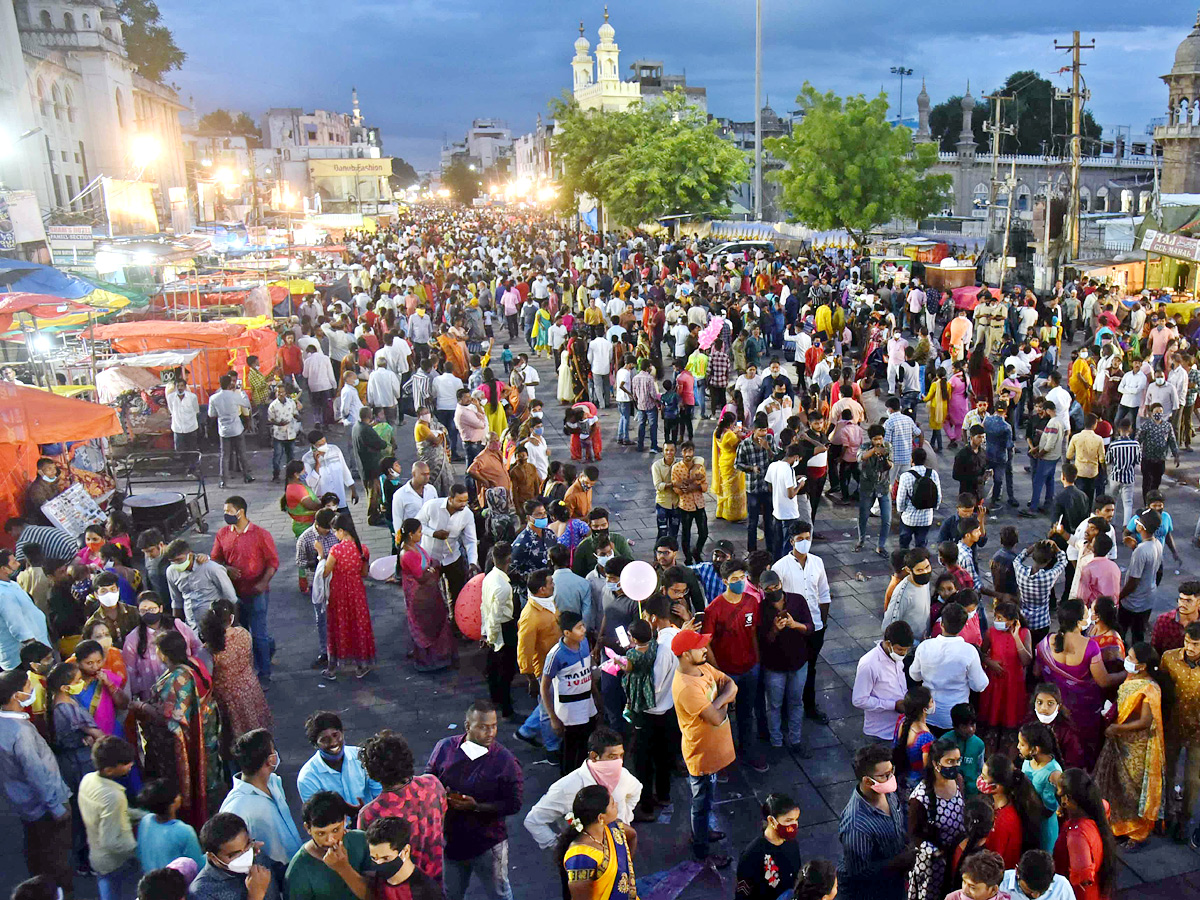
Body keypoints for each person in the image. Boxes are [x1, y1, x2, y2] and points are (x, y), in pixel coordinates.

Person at [426, 700, 524, 900]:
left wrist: (477, 807)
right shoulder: (445, 748)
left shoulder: (505, 761)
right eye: (483, 727)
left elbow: (514, 803)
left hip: (488, 844)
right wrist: (439, 792)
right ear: (467, 726)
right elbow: (429, 778)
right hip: (451, 841)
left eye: (494, 726)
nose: (490, 733)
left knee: (500, 895)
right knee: (450, 894)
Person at [129, 630, 220, 830]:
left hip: (184, 742)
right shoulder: (195, 664)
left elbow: (169, 717)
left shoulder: (179, 678)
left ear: (164, 653)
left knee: (185, 783)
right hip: (206, 733)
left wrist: (142, 708)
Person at [0, 670, 74, 895]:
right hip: (45, 806)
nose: (32, 691)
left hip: (24, 804)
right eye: (28, 688)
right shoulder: (20, 732)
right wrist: (56, 807)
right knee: (56, 858)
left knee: (35, 852)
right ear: (16, 696)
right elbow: (36, 773)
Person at [672, 628, 736, 868]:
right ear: (686, 655)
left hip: (712, 753)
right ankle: (701, 851)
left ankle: (702, 832)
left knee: (706, 802)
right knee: (701, 804)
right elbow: (717, 718)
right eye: (699, 647)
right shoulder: (687, 687)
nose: (705, 650)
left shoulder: (703, 668)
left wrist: (720, 701)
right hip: (702, 756)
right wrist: (724, 702)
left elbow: (730, 684)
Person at [1093, 641, 1166, 849]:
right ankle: (1120, 827)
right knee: (1120, 787)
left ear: (1142, 666)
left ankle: (1138, 833)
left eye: (1131, 658)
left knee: (1134, 790)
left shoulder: (1150, 688)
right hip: (1122, 743)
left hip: (1137, 747)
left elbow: (1144, 721)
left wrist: (1117, 729)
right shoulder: (1132, 678)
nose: (1127, 661)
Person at [523, 726, 642, 848]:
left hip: (618, 847)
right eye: (612, 757)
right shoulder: (567, 787)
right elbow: (533, 821)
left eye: (621, 755)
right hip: (586, 857)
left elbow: (636, 790)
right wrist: (559, 847)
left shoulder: (623, 775)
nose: (619, 762)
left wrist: (625, 818)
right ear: (594, 756)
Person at [701, 557, 766, 770]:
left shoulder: (751, 601)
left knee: (747, 713)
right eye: (735, 578)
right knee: (722, 717)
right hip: (727, 671)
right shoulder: (714, 609)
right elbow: (707, 643)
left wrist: (756, 660)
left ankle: (748, 751)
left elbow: (754, 632)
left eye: (743, 578)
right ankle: (725, 759)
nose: (740, 582)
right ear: (725, 581)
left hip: (749, 667)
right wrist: (718, 671)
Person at [357, 729, 447, 880]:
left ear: (372, 771)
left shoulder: (370, 814)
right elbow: (442, 819)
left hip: (401, 887)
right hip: (435, 880)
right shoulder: (432, 784)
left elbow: (371, 860)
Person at [210, 497, 278, 684]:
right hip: (233, 594)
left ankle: (264, 674)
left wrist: (264, 582)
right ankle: (250, 667)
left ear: (240, 512)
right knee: (241, 632)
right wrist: (226, 569)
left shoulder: (260, 534)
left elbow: (273, 563)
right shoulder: (223, 534)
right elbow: (214, 559)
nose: (226, 515)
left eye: (229, 511)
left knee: (258, 634)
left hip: (257, 592)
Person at [771, 522, 832, 724]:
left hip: (815, 626)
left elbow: (823, 594)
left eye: (807, 538)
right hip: (793, 628)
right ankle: (788, 710)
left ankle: (809, 706)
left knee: (811, 668)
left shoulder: (817, 562)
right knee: (792, 668)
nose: (805, 542)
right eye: (800, 539)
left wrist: (822, 622)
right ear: (791, 541)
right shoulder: (780, 567)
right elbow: (775, 599)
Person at [218, 729, 303, 866]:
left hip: (295, 865)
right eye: (273, 750)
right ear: (271, 760)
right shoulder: (236, 807)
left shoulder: (274, 782)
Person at [838, 742, 911, 900]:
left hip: (895, 884)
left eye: (891, 772)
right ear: (867, 781)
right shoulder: (855, 824)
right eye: (885, 775)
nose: (891, 778)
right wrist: (899, 862)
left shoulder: (888, 793)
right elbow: (859, 872)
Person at [199, 598, 272, 751]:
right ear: (231, 618)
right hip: (251, 688)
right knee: (257, 728)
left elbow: (207, 678)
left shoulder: (209, 648)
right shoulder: (244, 633)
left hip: (228, 698)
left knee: (237, 739)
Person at [758, 568, 815, 750]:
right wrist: (775, 629)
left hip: (798, 662)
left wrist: (793, 624)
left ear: (781, 584)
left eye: (776, 586)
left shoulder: (797, 600)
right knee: (774, 704)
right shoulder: (761, 608)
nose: (773, 591)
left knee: (796, 702)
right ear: (762, 589)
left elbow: (810, 628)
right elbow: (763, 641)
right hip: (774, 666)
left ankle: (795, 739)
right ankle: (776, 741)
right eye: (768, 589)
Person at [910, 602, 988, 734]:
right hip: (955, 717)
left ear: (941, 624)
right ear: (963, 626)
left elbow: (914, 675)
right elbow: (979, 685)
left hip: (928, 714)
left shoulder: (925, 646)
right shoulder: (969, 652)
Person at [315, 512, 375, 680]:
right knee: (358, 624)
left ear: (341, 531)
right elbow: (364, 572)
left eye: (335, 531)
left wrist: (321, 555)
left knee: (338, 625)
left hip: (339, 593)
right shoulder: (362, 549)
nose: (335, 534)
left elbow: (325, 572)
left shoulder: (336, 550)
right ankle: (361, 665)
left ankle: (333, 668)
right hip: (357, 592)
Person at [78, 736, 139, 900]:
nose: (130, 765)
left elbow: (111, 811)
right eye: (126, 763)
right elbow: (111, 841)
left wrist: (143, 816)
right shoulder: (114, 796)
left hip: (95, 853)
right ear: (110, 770)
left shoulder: (88, 779)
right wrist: (138, 848)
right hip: (111, 862)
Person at [907, 737, 966, 900]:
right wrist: (936, 852)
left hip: (956, 857)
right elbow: (914, 834)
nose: (955, 766)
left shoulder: (958, 781)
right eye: (949, 761)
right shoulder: (920, 798)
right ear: (935, 763)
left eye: (957, 761)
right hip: (933, 864)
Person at [557, 784, 638, 900]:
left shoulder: (613, 827)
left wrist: (623, 869)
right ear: (601, 818)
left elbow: (632, 835)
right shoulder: (580, 858)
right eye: (612, 804)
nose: (616, 805)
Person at [283, 792, 370, 900]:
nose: (330, 840)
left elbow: (376, 895)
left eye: (336, 830)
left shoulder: (362, 841)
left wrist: (344, 869)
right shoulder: (298, 869)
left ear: (344, 820)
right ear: (308, 828)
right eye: (321, 833)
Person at [398, 517, 456, 674]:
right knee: (426, 626)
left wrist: (432, 566)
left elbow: (427, 565)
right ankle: (430, 660)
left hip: (428, 594)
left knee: (436, 621)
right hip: (420, 598)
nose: (421, 534)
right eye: (419, 532)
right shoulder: (408, 554)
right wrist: (432, 569)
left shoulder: (415, 547)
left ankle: (441, 657)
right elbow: (421, 577)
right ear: (411, 534)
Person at [543, 610, 598, 775]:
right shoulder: (556, 655)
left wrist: (597, 698)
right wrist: (553, 718)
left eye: (583, 626)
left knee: (585, 749)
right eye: (579, 627)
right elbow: (544, 687)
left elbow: (588, 672)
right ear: (567, 633)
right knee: (570, 753)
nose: (583, 630)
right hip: (569, 714)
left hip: (587, 708)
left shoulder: (584, 643)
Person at [1053, 768, 1119, 900]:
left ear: (1067, 799)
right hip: (1096, 887)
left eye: (1059, 793)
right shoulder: (1098, 808)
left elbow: (1082, 879)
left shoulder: (1076, 835)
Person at [123, 592, 202, 701]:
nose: (148, 613)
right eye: (143, 611)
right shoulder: (133, 639)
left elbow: (197, 647)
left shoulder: (177, 626)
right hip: (153, 697)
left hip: (185, 687)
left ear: (160, 608)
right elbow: (130, 671)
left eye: (152, 609)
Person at [296, 710, 381, 808]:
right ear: (315, 745)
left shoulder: (363, 755)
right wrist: (347, 813)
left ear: (342, 733)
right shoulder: (308, 778)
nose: (333, 743)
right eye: (324, 740)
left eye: (335, 735)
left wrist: (365, 816)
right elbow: (319, 817)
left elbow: (378, 793)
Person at [190, 812, 279, 900]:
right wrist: (255, 896)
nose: (245, 855)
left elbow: (286, 877)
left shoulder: (257, 856)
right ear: (213, 857)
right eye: (234, 854)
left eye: (247, 845)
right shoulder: (202, 892)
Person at [417, 484, 479, 608]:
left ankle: (455, 621)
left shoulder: (467, 514)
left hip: (452, 557)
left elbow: (470, 540)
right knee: (430, 593)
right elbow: (418, 524)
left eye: (465, 501)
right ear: (450, 499)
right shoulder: (432, 506)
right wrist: (433, 533)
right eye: (460, 501)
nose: (464, 504)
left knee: (457, 593)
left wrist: (473, 562)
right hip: (430, 557)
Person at [976, 754, 1044, 867]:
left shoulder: (1004, 821)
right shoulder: (1000, 807)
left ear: (996, 787)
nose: (980, 780)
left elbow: (993, 861)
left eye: (983, 777)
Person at [852, 622, 913, 741]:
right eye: (900, 649)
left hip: (898, 728)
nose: (903, 654)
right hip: (880, 732)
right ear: (888, 643)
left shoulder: (896, 657)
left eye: (906, 650)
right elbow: (859, 700)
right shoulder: (869, 664)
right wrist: (893, 705)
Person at [735, 793, 802, 900]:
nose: (794, 825)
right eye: (788, 820)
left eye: (796, 819)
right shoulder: (752, 854)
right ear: (771, 820)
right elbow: (743, 893)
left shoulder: (792, 844)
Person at [164, 539, 240, 631]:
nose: (177, 564)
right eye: (173, 561)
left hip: (215, 625)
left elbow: (231, 599)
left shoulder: (212, 568)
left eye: (179, 560)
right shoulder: (171, 572)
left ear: (190, 555)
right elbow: (176, 601)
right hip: (192, 626)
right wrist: (176, 627)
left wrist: (234, 628)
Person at [365, 816, 445, 900]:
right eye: (374, 858)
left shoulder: (428, 891)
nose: (379, 864)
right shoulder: (375, 881)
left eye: (386, 858)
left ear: (406, 851)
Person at [135, 778, 205, 873]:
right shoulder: (184, 831)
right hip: (174, 884)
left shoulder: (145, 821)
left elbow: (139, 853)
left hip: (149, 880)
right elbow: (197, 866)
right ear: (173, 804)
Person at [1016, 723, 1063, 853]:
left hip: (1044, 826)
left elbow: (1061, 800)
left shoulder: (1054, 772)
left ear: (1034, 749)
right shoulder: (1027, 761)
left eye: (1022, 744)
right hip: (1028, 819)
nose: (1018, 747)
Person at [1118, 509, 1162, 645]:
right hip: (1148, 598)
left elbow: (1134, 581)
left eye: (1137, 522)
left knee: (1121, 632)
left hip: (1133, 602)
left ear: (1141, 527)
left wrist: (1119, 596)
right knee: (1139, 633)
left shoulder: (1141, 551)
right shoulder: (1157, 544)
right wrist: (1135, 547)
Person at [208, 373, 253, 488]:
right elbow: (246, 404)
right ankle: (247, 476)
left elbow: (211, 414)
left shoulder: (214, 398)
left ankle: (223, 480)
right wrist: (241, 391)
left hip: (224, 430)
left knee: (225, 456)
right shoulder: (234, 395)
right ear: (230, 384)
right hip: (237, 428)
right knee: (241, 453)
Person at [856, 424, 894, 554]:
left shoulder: (888, 446)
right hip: (867, 487)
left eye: (880, 439)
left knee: (887, 519)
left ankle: (881, 545)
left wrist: (884, 457)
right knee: (863, 516)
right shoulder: (865, 446)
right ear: (871, 439)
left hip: (883, 486)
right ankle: (861, 540)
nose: (878, 442)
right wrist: (873, 451)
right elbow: (860, 457)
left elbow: (891, 465)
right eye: (876, 439)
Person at [672, 441, 710, 565]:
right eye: (685, 451)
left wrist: (691, 487)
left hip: (699, 503)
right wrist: (693, 481)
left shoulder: (699, 467)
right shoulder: (676, 468)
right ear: (681, 453)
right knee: (686, 534)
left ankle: (697, 552)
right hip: (685, 506)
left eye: (690, 451)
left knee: (704, 532)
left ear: (693, 452)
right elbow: (677, 488)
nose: (688, 454)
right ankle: (688, 558)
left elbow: (704, 486)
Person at [883, 549, 934, 641]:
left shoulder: (924, 582)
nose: (925, 572)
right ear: (908, 570)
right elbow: (889, 625)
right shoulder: (902, 594)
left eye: (927, 567)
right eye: (919, 570)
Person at [897, 449, 941, 549]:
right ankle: (920, 561)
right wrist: (934, 507)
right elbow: (938, 496)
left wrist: (901, 511)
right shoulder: (933, 474)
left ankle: (904, 561)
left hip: (909, 518)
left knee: (904, 544)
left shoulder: (905, 476)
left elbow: (901, 499)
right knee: (921, 545)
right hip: (926, 518)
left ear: (912, 460)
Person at [1000, 849, 1076, 900]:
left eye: (1042, 892)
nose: (1035, 896)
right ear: (1017, 872)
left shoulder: (1062, 887)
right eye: (1030, 891)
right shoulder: (1000, 884)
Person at [947, 703, 986, 796]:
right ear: (955, 726)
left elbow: (980, 769)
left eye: (973, 724)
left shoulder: (979, 744)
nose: (971, 729)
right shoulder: (945, 741)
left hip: (972, 792)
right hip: (950, 792)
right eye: (964, 726)